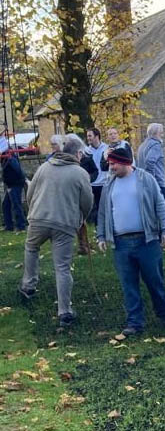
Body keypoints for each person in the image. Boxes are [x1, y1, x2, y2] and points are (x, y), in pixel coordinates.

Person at [97, 147, 165, 336]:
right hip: (121, 243)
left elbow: (160, 203)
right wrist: (101, 236)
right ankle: (134, 322)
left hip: (146, 240)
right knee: (128, 284)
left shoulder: (145, 179)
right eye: (110, 164)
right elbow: (103, 212)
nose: (111, 167)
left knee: (154, 281)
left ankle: (164, 314)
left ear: (125, 162)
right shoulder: (109, 184)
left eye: (114, 164)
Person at [18, 135, 93, 327]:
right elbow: (87, 202)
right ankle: (64, 311)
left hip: (39, 219)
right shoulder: (80, 173)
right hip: (65, 224)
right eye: (81, 154)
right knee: (62, 267)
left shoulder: (44, 167)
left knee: (31, 248)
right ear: (77, 153)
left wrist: (32, 210)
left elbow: (30, 192)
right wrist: (81, 217)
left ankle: (28, 285)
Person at [85, 128, 109, 223]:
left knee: (103, 208)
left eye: (90, 136)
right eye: (87, 136)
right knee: (93, 209)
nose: (88, 138)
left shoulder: (106, 149)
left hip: (104, 183)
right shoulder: (86, 151)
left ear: (97, 136)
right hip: (92, 184)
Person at [137, 123, 165, 201]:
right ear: (156, 133)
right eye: (161, 133)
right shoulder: (155, 145)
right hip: (157, 183)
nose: (162, 135)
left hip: (143, 182)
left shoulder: (142, 145)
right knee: (161, 210)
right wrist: (152, 179)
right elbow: (149, 161)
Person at [2, 151, 26, 232]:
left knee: (16, 205)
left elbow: (18, 171)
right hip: (11, 185)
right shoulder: (5, 158)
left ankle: (21, 226)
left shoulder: (10, 158)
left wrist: (13, 184)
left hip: (14, 184)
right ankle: (9, 226)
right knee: (6, 204)